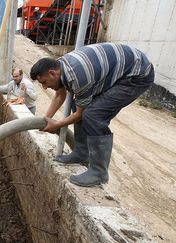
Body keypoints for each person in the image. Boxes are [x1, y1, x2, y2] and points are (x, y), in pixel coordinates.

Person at [29, 43, 154, 187]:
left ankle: (99, 172)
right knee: (79, 104)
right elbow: (59, 94)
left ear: (52, 73)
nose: (45, 87)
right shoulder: (61, 66)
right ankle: (82, 153)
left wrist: (56, 125)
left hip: (136, 76)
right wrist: (47, 118)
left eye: (44, 82)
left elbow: (80, 114)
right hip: (123, 67)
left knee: (94, 115)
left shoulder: (78, 75)